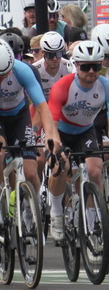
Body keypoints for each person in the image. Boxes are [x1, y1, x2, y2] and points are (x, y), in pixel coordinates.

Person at [0, 36, 59, 229]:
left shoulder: (23, 70)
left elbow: (42, 107)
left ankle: (29, 209)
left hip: (19, 115)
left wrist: (50, 134)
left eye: (5, 74)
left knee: (30, 172)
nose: (1, 78)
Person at [47, 40, 109, 240]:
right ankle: (56, 213)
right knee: (60, 166)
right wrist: (56, 146)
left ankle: (92, 226)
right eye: (86, 66)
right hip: (61, 132)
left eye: (96, 66)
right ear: (76, 66)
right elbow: (52, 124)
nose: (91, 71)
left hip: (85, 131)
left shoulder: (105, 86)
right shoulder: (63, 86)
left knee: (95, 172)